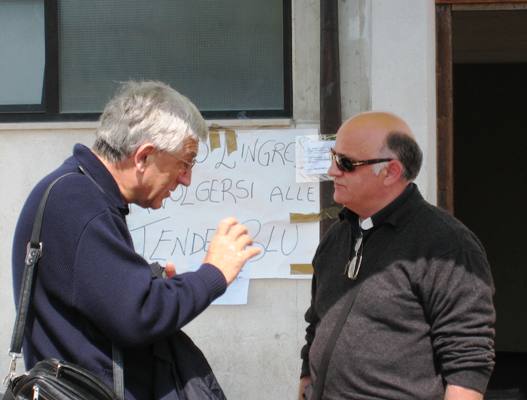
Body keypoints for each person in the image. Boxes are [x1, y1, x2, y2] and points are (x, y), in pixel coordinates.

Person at [12, 80, 260, 400]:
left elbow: (106, 306)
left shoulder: (74, 191)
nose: (186, 180)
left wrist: (151, 286)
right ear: (143, 156)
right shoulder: (80, 203)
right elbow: (138, 316)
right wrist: (214, 273)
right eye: (184, 164)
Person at [298, 111, 495, 400]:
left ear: (390, 171)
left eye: (346, 163)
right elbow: (316, 324)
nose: (331, 171)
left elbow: (468, 359)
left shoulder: (447, 246)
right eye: (332, 156)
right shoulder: (337, 237)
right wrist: (305, 386)